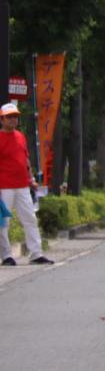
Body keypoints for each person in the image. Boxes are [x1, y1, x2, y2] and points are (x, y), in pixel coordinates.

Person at [0, 102, 52, 266]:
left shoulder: (20, 136)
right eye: (9, 117)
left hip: (22, 186)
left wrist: (31, 179)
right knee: (3, 223)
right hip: (4, 186)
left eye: (15, 117)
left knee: (30, 218)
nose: (13, 120)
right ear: (1, 119)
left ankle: (36, 254)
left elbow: (26, 160)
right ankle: (6, 255)